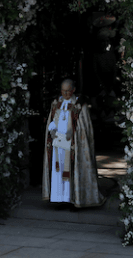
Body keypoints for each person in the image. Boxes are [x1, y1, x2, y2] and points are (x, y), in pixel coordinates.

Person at [42, 79, 103, 208]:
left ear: (73, 90)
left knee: (71, 170)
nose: (65, 94)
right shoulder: (56, 103)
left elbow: (84, 127)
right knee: (58, 171)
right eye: (63, 91)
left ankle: (73, 199)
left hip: (73, 144)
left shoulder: (80, 105)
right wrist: (52, 130)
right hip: (58, 144)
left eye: (68, 91)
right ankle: (59, 199)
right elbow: (52, 119)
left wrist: (73, 132)